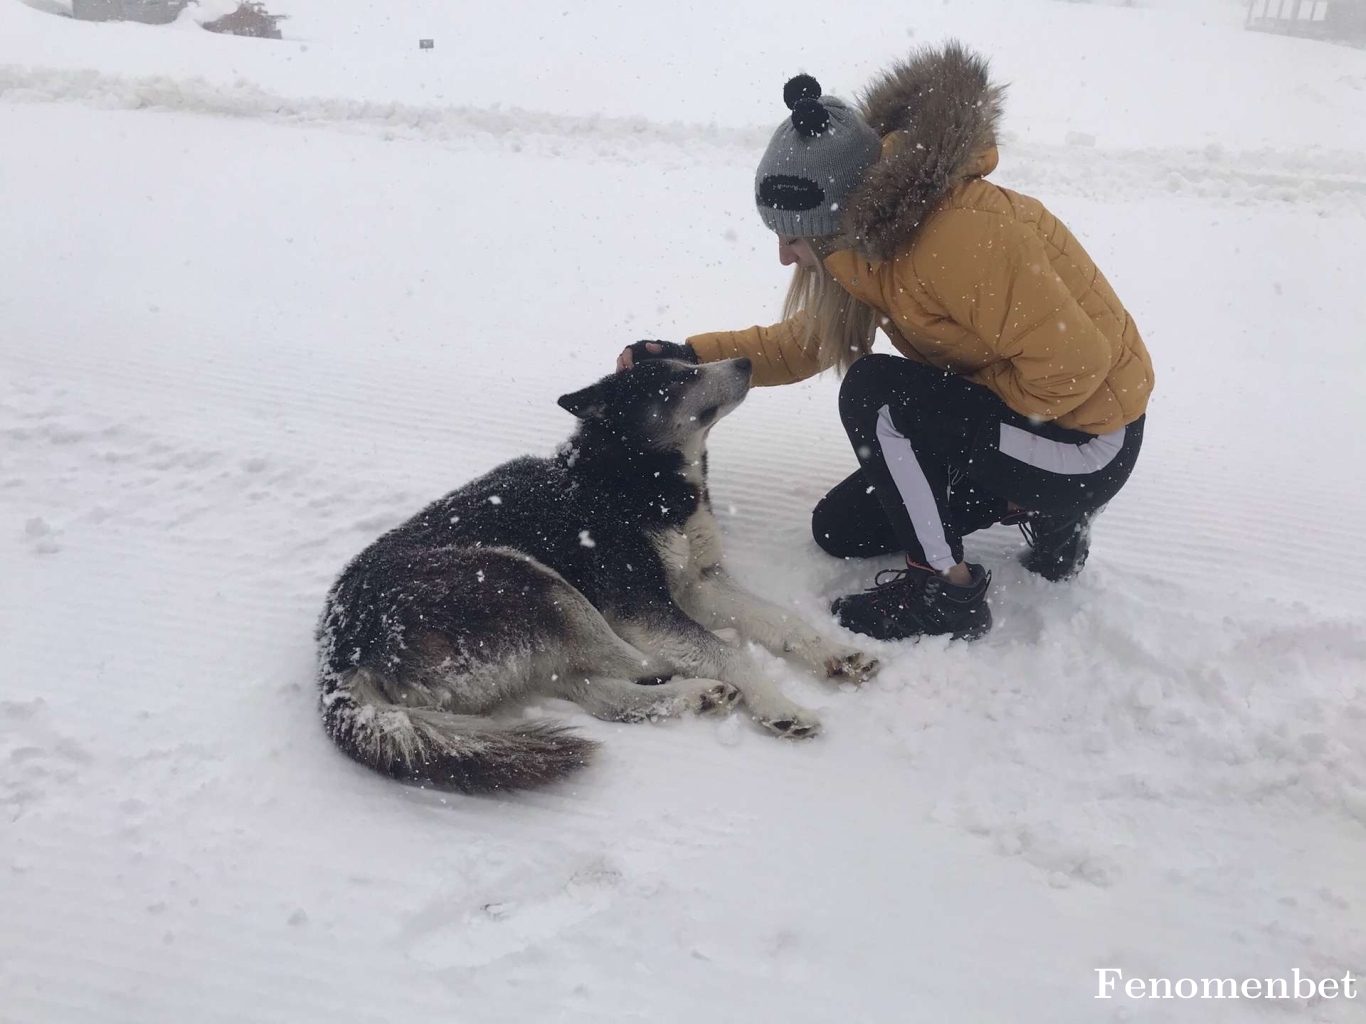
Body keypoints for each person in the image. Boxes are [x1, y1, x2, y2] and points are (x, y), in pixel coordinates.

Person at [616, 43, 1153, 642]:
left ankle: (945, 592)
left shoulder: (959, 238)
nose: (783, 255)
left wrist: (951, 410)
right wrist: (688, 358)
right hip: (1029, 425)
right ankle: (1031, 507)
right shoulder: (871, 236)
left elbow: (1075, 370)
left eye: (791, 236)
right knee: (843, 530)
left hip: (1085, 440)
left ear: (833, 218)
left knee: (879, 394)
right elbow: (805, 344)